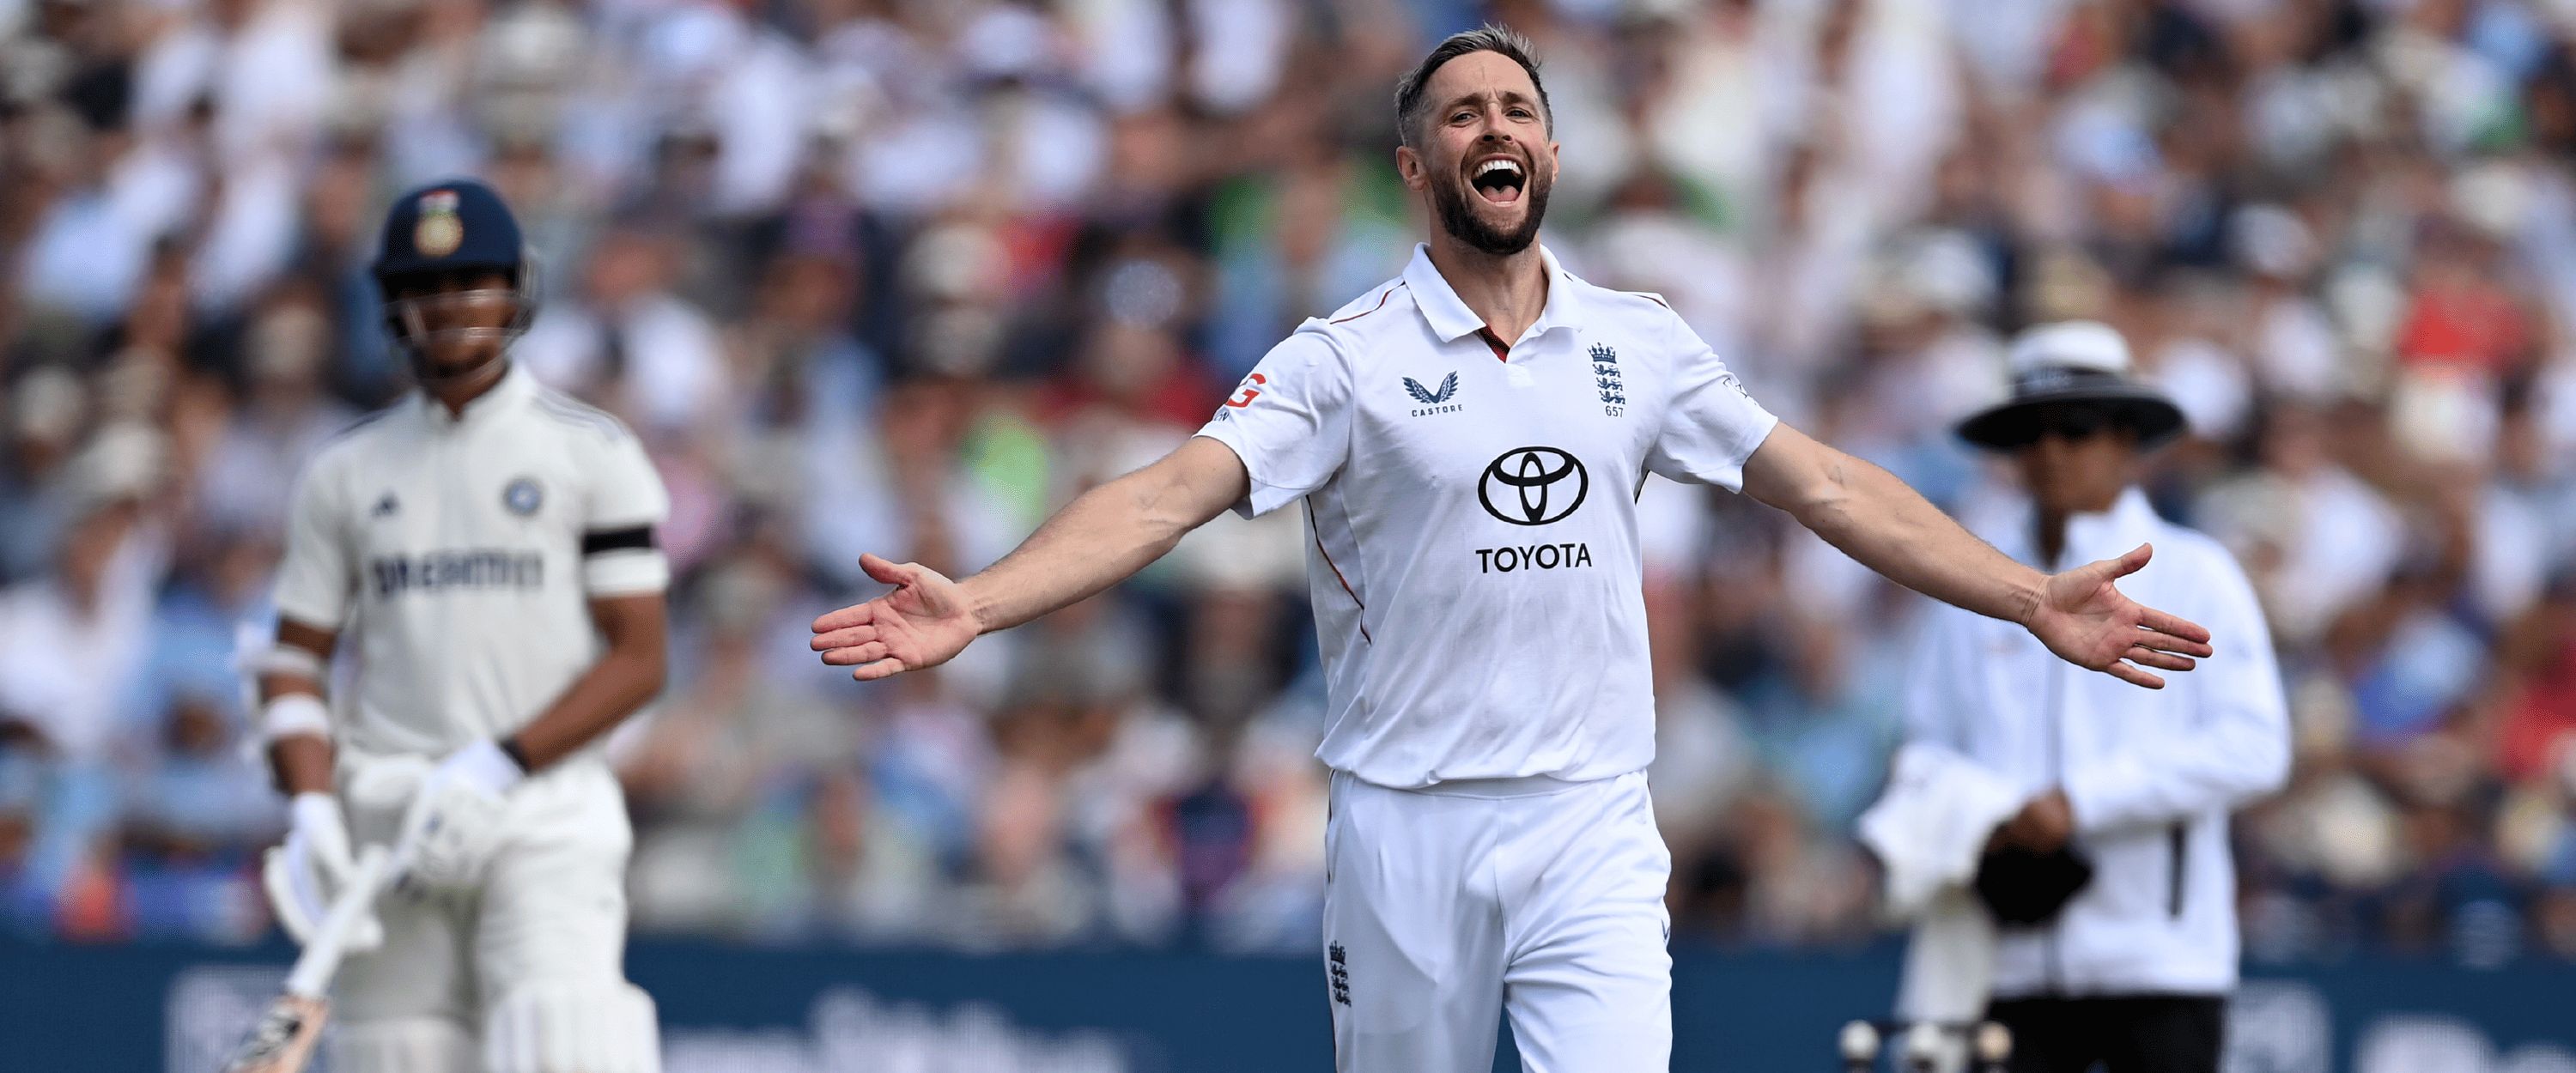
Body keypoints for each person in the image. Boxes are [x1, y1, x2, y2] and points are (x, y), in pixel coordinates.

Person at [811, 28, 2214, 1073]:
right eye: (1465, 113)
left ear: (1551, 153)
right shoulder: (1342, 359)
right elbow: (1165, 495)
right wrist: (980, 601)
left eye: (1521, 110)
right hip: (1403, 823)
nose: (1499, 128)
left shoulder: (1640, 341)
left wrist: (2029, 594)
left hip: (1588, 817)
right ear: (1417, 166)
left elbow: (1832, 489)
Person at [251, 178, 670, 1073]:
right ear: (391, 303)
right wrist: (314, 809)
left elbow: (640, 658)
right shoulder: (343, 471)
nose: (449, 304)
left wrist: (496, 764)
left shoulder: (590, 450)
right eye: (425, 285)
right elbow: (294, 659)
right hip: (390, 820)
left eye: (472, 280)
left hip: (545, 810)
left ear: (517, 289)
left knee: (563, 1040)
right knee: (396, 1054)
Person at [1907, 321, 2289, 1073]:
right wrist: (1992, 815)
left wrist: (2081, 802)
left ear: (2124, 439)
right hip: (2004, 960)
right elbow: (1925, 749)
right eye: (2030, 432)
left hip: (2159, 966)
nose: (2051, 451)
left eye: (2076, 428)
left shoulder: (2198, 574)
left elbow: (2255, 749)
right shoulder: (1973, 589)